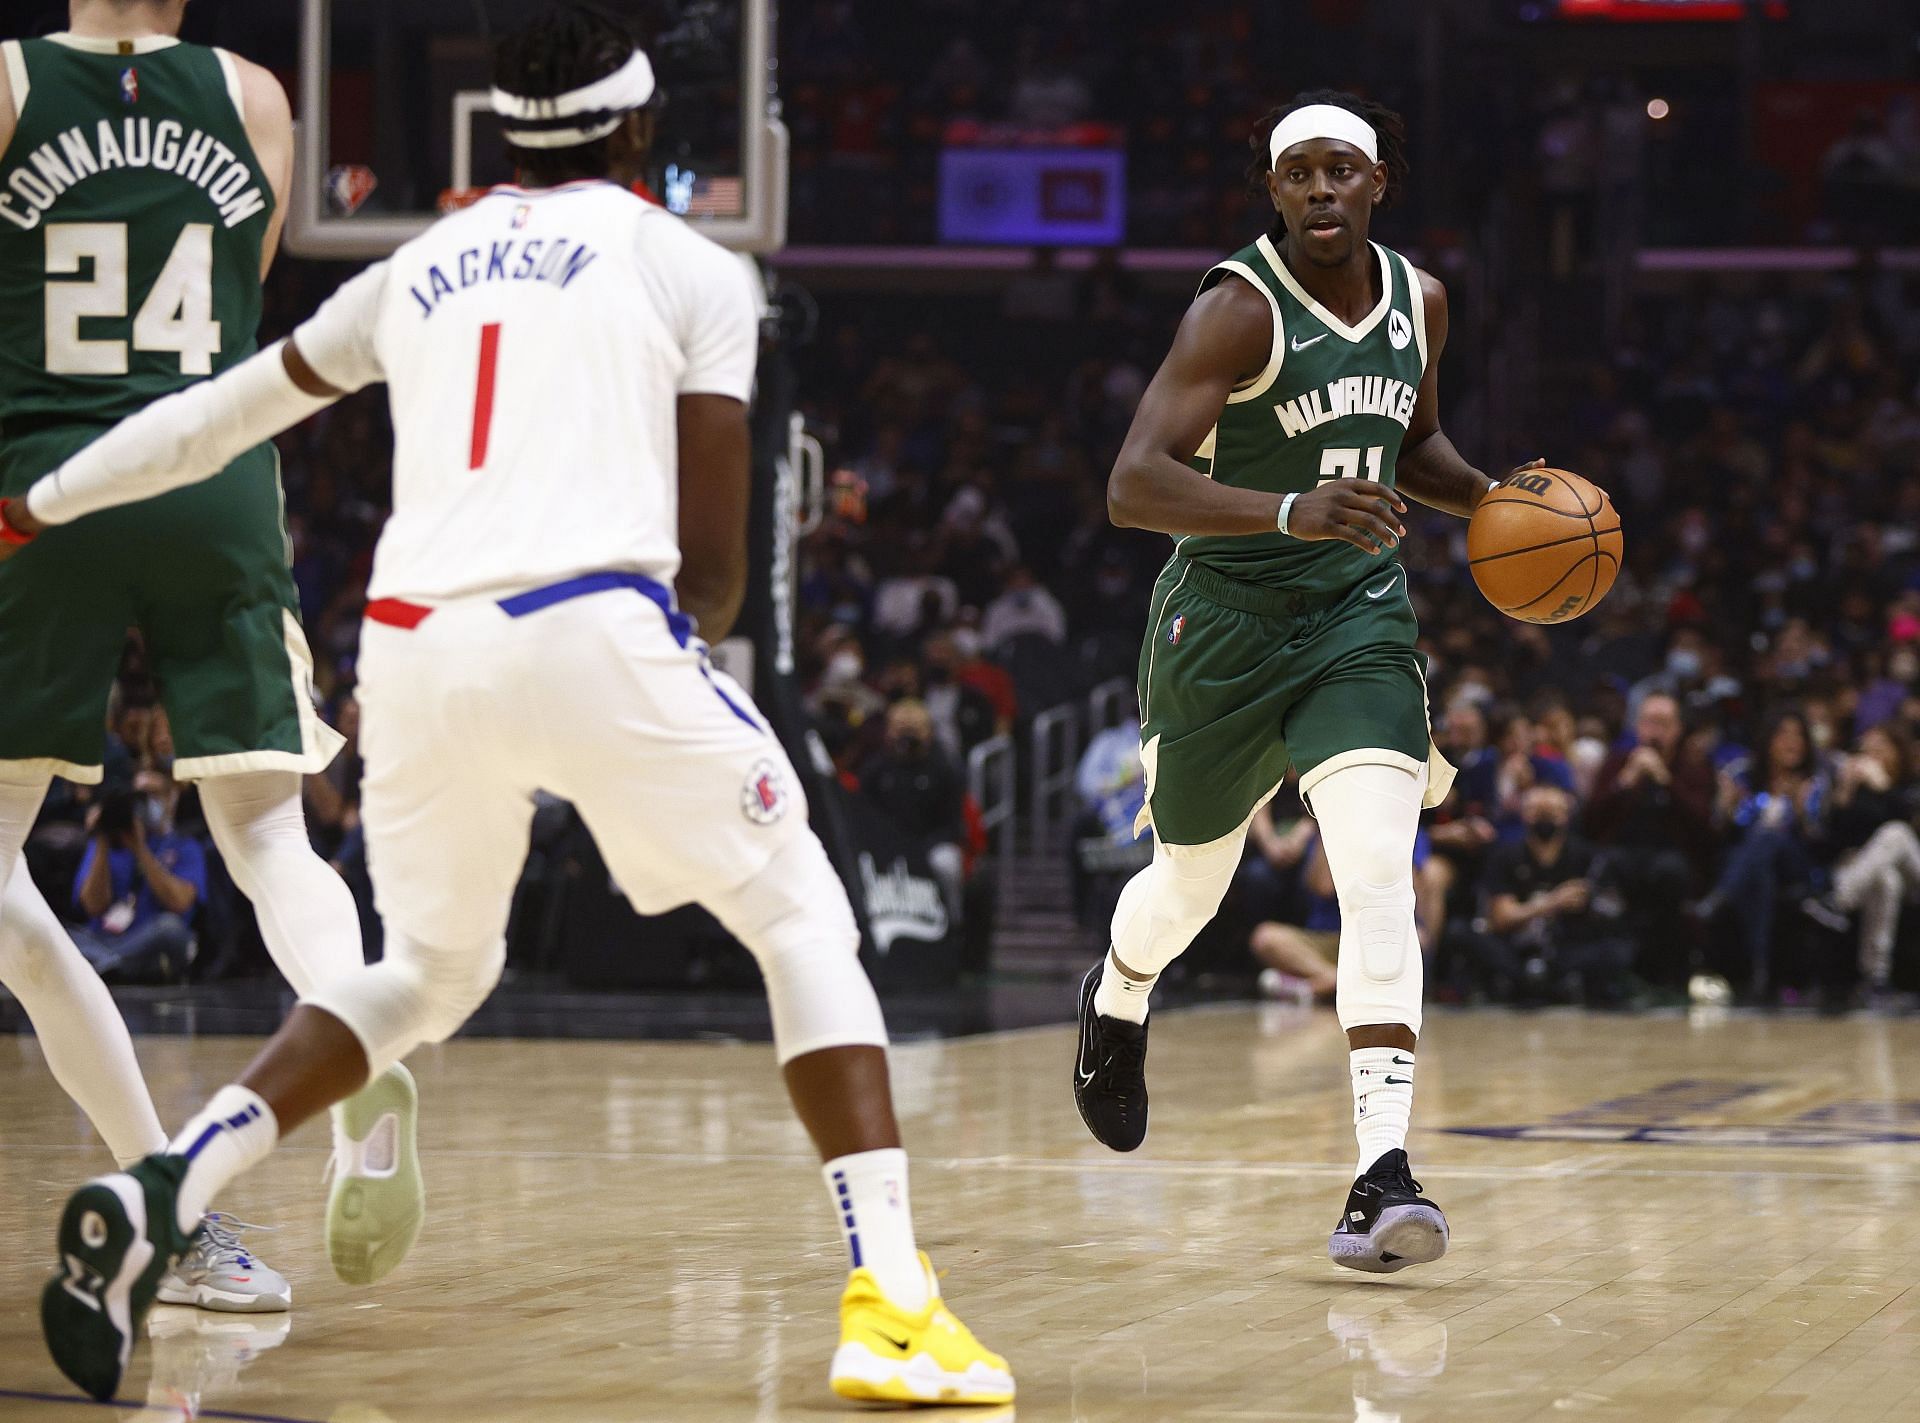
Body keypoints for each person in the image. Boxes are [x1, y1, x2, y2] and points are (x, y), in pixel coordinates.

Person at [8, 5, 1010, 1405]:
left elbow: (219, 415)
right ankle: (895, 1301)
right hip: (590, 617)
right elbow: (715, 570)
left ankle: (172, 1181)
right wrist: (668, 692)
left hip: (412, 647)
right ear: (642, 129)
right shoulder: (691, 263)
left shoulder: (414, 264)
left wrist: (41, 496)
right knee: (803, 919)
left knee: (426, 974)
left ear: (506, 134)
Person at [1069, 88, 1569, 1274]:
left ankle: (1381, 1174)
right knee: (1188, 888)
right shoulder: (1237, 311)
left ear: (1377, 183)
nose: (1323, 192)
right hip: (1223, 626)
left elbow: (1413, 449)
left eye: (1343, 172)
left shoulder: (1423, 303)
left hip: (1356, 618)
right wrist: (1291, 508)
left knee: (1379, 878)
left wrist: (1500, 500)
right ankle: (1119, 993)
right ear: (1276, 193)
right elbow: (1133, 485)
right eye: (1301, 176)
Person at [0, 0, 410, 1315]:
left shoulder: (7, 84)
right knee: (271, 838)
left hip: (42, 484)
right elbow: (254, 270)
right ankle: (356, 1046)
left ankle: (167, 1211)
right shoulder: (255, 97)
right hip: (213, 471)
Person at [1465, 785, 1633, 1006]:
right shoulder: (1506, 856)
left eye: (1553, 812)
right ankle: (1517, 985)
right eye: (1536, 811)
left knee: (1617, 949)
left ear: (1567, 816)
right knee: (1466, 935)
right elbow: (1501, 918)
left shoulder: (1587, 858)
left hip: (1568, 947)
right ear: (1523, 814)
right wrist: (1553, 902)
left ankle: (1567, 986)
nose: (1545, 819)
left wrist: (1589, 900)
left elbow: (1611, 909)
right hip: (1517, 947)